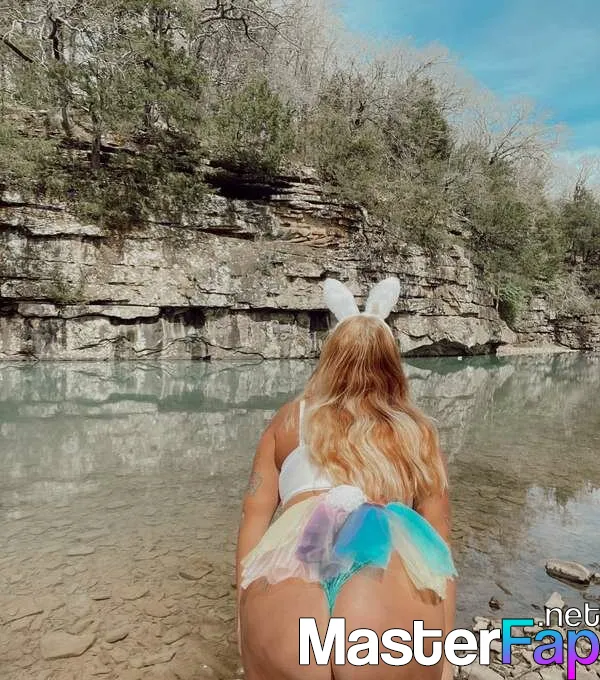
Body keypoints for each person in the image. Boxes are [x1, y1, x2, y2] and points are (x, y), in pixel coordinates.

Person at [235, 277, 458, 680]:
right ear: (393, 364)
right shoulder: (417, 431)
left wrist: (242, 613)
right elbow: (438, 541)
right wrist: (445, 644)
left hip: (298, 552)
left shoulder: (289, 419)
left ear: (330, 357)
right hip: (384, 552)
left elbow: (254, 518)